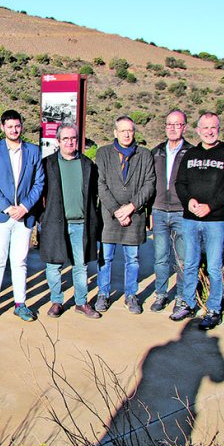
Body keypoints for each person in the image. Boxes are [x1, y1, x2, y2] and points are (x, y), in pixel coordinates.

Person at [174, 112, 224, 330]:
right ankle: (188, 303)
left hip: (214, 220)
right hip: (190, 219)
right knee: (190, 263)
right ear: (198, 130)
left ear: (219, 129)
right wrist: (189, 201)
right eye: (205, 128)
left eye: (213, 127)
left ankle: (214, 308)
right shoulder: (190, 154)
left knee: (213, 266)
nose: (209, 131)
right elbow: (180, 183)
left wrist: (210, 206)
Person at [0, 110, 44, 322]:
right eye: (10, 126)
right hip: (0, 216)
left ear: (22, 126)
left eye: (17, 126)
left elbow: (39, 182)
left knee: (20, 261)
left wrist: (25, 207)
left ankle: (20, 303)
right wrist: (8, 208)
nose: (14, 130)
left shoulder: (33, 151)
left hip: (24, 217)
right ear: (2, 128)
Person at [39, 123, 102, 319]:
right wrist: (43, 217)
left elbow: (95, 194)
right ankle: (56, 301)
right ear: (58, 141)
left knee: (81, 265)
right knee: (53, 265)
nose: (69, 142)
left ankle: (81, 302)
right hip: (55, 223)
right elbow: (39, 193)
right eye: (65, 138)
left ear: (78, 140)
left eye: (73, 138)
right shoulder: (47, 164)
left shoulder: (87, 165)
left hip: (81, 224)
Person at [96, 116, 156, 314]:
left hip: (135, 216)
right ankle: (103, 294)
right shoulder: (103, 153)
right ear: (115, 132)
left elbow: (149, 184)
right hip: (109, 217)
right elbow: (101, 185)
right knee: (105, 258)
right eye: (122, 130)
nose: (127, 134)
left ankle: (131, 295)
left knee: (133, 260)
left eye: (130, 130)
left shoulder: (145, 155)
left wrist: (131, 207)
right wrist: (116, 210)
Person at [150, 110, 193, 313]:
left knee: (182, 258)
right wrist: (150, 210)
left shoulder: (192, 152)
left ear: (184, 127)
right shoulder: (156, 152)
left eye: (178, 124)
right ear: (165, 126)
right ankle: (161, 294)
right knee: (160, 257)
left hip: (181, 212)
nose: (173, 128)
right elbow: (149, 183)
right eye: (170, 124)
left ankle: (181, 297)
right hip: (159, 210)